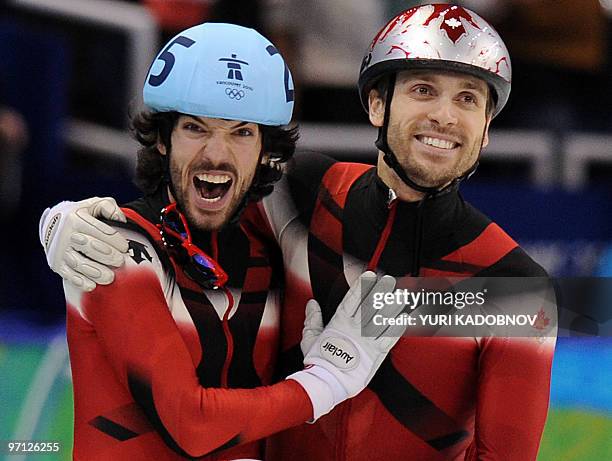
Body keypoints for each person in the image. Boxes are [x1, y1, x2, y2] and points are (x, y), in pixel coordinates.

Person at [41, 4, 557, 459]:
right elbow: (193, 185)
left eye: (469, 99)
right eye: (423, 90)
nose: (444, 116)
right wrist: (62, 221)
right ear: (377, 105)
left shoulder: (516, 288)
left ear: (488, 126)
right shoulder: (304, 194)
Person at [38, 22, 406, 461]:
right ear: (162, 139)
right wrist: (325, 381)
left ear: (268, 150)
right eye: (195, 128)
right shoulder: (114, 248)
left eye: (241, 132)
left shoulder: (270, 247)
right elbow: (192, 426)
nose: (216, 153)